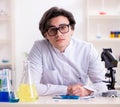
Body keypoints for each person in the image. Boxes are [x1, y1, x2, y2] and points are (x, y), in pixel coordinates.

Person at [28, 6, 108, 96]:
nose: (58, 34)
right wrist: (66, 90)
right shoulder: (39, 47)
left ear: (72, 30)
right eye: (52, 30)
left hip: (79, 101)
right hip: (49, 102)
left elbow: (104, 84)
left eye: (63, 27)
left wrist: (87, 90)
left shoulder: (87, 49)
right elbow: (29, 87)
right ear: (46, 35)